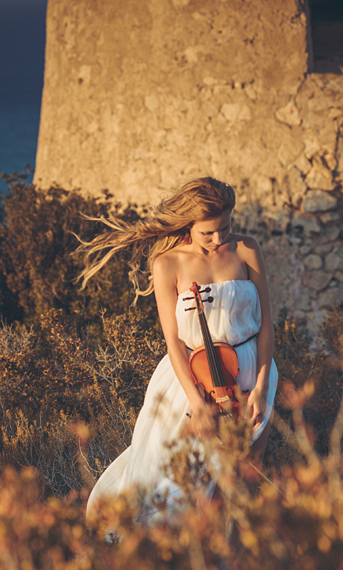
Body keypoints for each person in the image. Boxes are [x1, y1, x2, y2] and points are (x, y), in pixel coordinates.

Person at [79, 177, 278, 514]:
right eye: (208, 233)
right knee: (181, 483)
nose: (218, 239)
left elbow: (267, 324)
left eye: (225, 228)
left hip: (251, 373)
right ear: (188, 225)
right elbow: (173, 341)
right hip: (191, 379)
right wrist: (197, 403)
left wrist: (260, 386)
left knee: (243, 481)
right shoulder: (168, 263)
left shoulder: (247, 249)